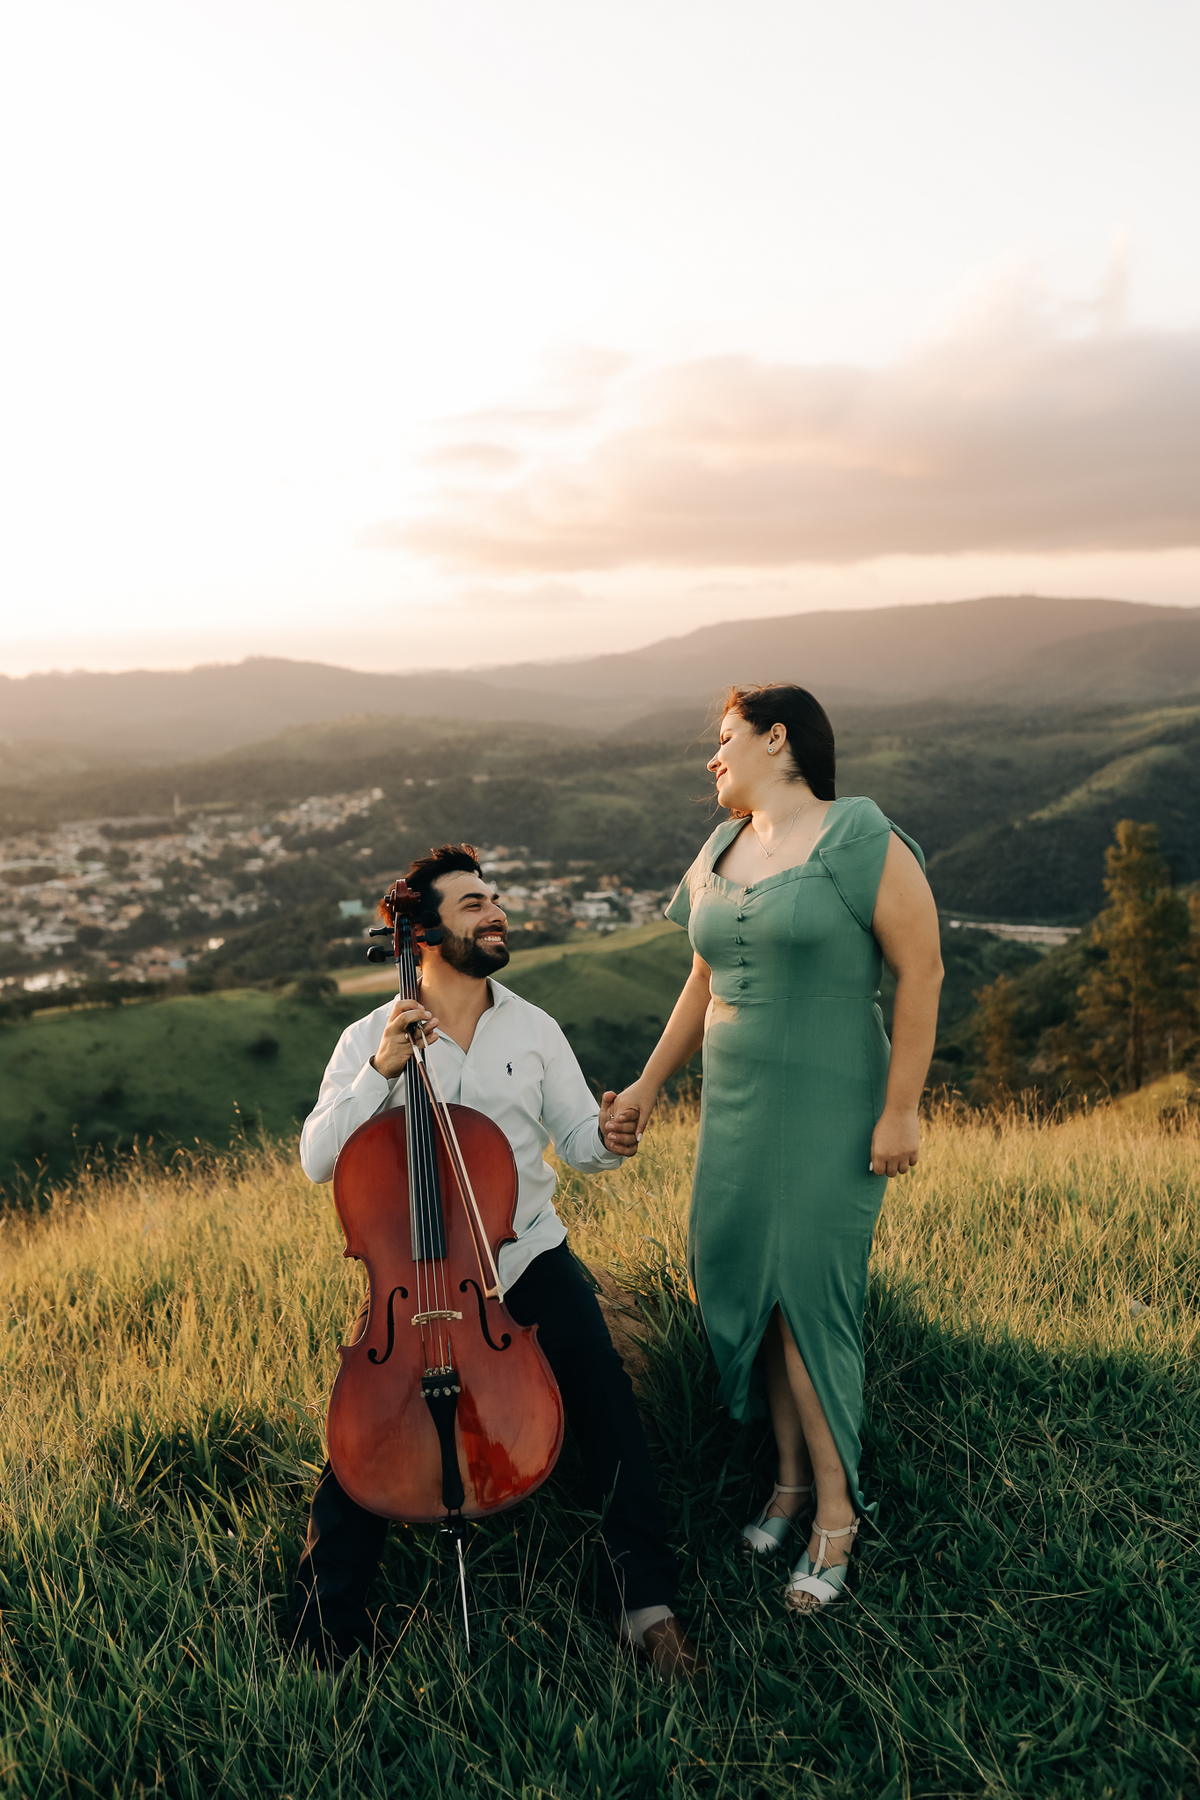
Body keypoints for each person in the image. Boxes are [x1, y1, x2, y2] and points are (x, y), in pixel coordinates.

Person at [289, 843, 702, 1678]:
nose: (495, 910)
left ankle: (646, 1606)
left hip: (528, 1259)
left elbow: (581, 1143)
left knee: (605, 1401)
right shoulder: (369, 1037)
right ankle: (324, 1627)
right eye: (473, 902)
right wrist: (383, 1071)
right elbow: (318, 1158)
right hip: (415, 1278)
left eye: (494, 897)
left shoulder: (533, 1026)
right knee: (364, 1437)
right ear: (424, 931)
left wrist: (612, 1135)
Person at [613, 684, 942, 1614]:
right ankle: (789, 1483)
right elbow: (700, 982)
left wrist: (901, 1109)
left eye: (724, 740)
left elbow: (923, 971)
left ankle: (837, 1515)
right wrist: (645, 1086)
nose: (711, 760)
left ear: (777, 738)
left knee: (808, 1299)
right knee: (744, 1279)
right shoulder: (721, 847)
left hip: (832, 1101)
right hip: (738, 1107)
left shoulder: (861, 835)